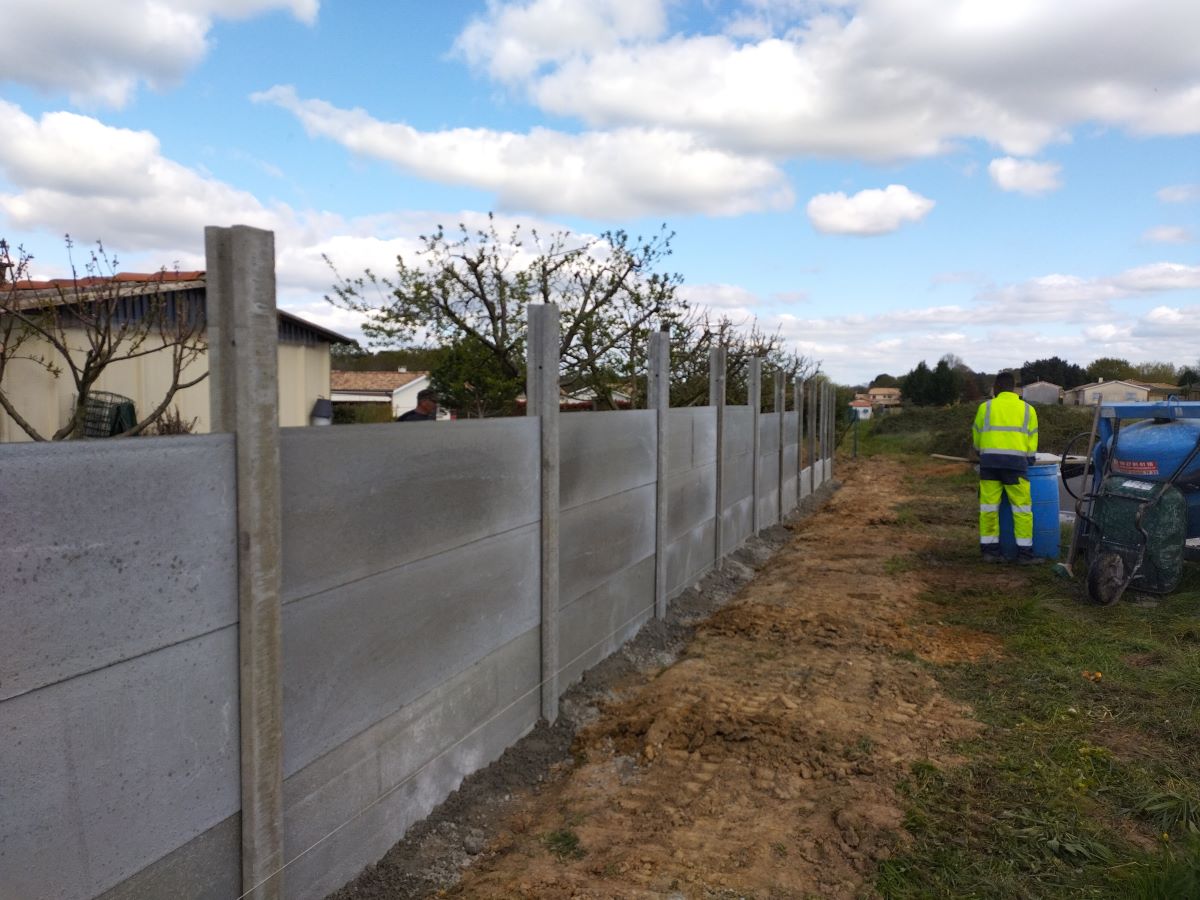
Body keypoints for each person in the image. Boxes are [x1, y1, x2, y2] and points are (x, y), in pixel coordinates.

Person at [972, 371, 1039, 564]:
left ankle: (990, 552)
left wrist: (981, 453)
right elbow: (1032, 441)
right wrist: (1029, 460)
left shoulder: (985, 408)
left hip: (989, 465)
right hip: (1016, 467)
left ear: (997, 387)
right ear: (1013, 387)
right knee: (1022, 510)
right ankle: (1025, 555)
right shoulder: (1028, 410)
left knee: (989, 508)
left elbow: (977, 438)